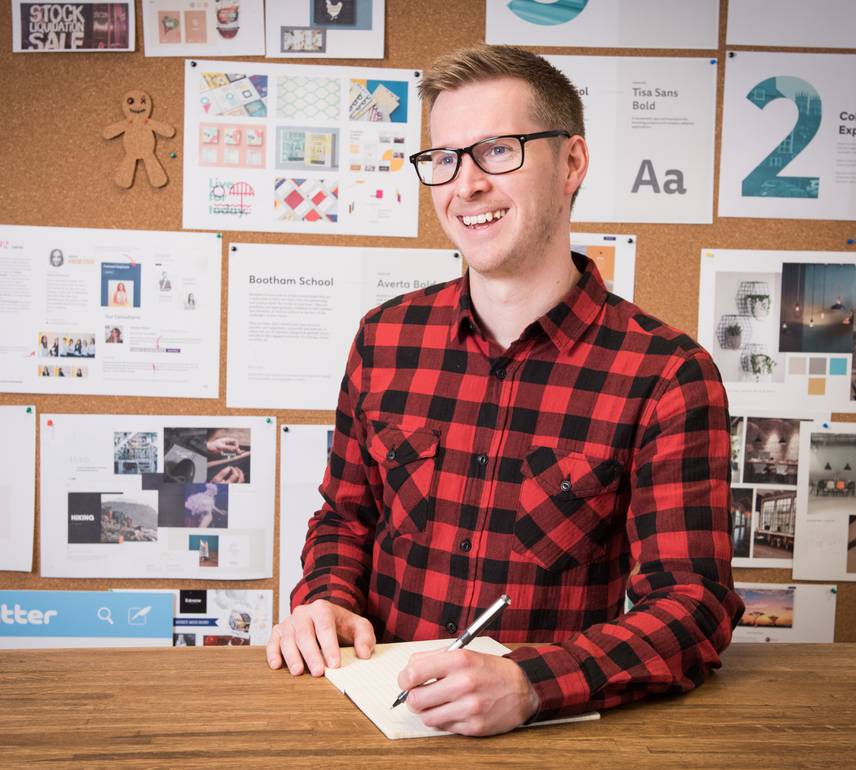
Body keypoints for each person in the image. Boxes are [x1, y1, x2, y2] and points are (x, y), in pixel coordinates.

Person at [267, 44, 744, 737]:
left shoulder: (667, 373)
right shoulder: (384, 338)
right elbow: (345, 518)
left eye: (497, 151)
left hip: (548, 738)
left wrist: (530, 684)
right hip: (371, 719)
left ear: (571, 164)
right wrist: (326, 597)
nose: (466, 185)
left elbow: (693, 606)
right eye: (444, 158)